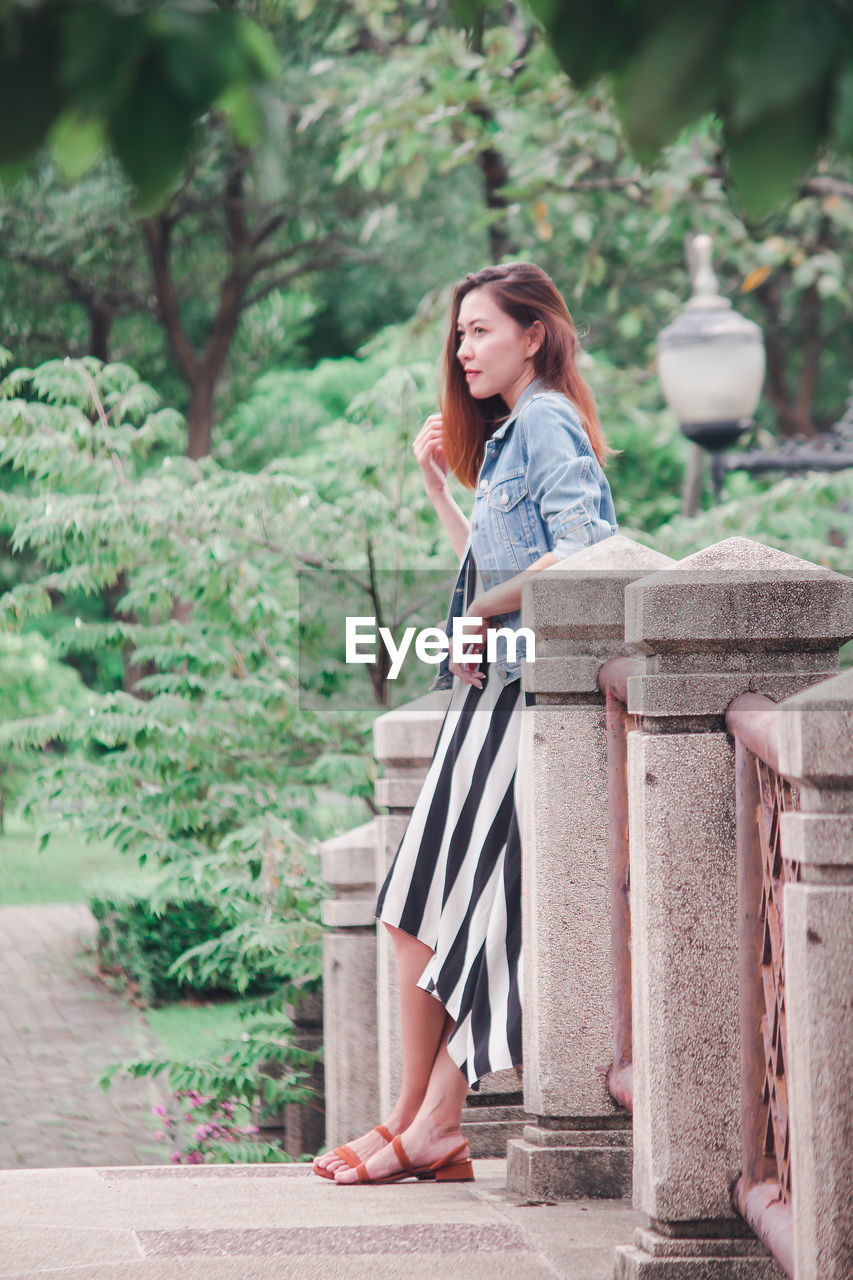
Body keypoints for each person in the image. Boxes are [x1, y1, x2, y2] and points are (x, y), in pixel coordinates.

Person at [313, 261, 617, 1186]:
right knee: (416, 913)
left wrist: (485, 614)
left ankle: (422, 1129)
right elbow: (492, 568)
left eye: (481, 330)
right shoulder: (512, 432)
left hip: (524, 708)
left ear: (534, 334)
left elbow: (589, 553)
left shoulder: (548, 418)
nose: (464, 348)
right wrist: (443, 493)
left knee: (462, 921)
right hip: (486, 707)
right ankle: (412, 1122)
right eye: (458, 335)